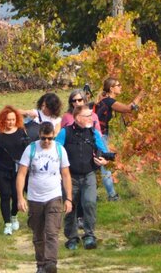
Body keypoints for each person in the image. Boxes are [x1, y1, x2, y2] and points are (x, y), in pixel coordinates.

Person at [16, 122, 72, 273]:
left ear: (54, 136)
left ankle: (50, 263)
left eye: (49, 138)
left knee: (52, 232)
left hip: (54, 196)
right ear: (39, 135)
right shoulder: (31, 149)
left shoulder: (60, 149)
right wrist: (20, 198)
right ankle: (40, 264)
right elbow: (21, 174)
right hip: (35, 198)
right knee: (38, 233)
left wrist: (68, 198)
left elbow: (66, 175)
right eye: (43, 138)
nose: (46, 142)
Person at [56, 104, 111, 250]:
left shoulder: (93, 133)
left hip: (89, 174)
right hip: (70, 176)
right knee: (70, 206)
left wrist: (104, 160)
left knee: (89, 203)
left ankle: (89, 236)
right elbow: (55, 151)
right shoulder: (65, 133)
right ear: (77, 118)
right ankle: (72, 238)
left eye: (91, 116)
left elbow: (104, 151)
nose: (91, 119)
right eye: (87, 116)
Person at [0, 105, 30, 235]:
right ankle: (7, 224)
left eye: (13, 119)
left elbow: (27, 149)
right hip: (1, 169)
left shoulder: (21, 131)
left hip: (17, 170)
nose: (10, 122)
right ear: (3, 119)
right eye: (8, 119)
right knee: (4, 195)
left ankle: (14, 216)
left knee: (16, 196)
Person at [94, 77, 139, 201]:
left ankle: (92, 193)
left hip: (98, 134)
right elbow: (127, 109)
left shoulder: (104, 100)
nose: (121, 87)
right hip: (100, 135)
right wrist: (141, 95)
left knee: (97, 162)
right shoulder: (108, 101)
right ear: (111, 88)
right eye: (118, 85)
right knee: (105, 162)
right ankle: (112, 195)